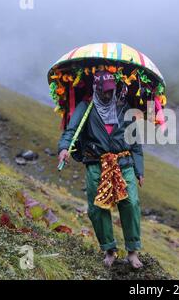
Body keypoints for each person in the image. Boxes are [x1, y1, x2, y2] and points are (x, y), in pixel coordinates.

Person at [57, 70, 144, 268]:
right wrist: (64, 148)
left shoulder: (124, 108)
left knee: (131, 202)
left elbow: (135, 142)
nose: (108, 95)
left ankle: (132, 251)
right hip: (96, 162)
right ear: (96, 88)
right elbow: (70, 130)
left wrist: (139, 170)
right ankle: (109, 250)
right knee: (97, 208)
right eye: (104, 91)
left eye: (111, 91)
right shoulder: (85, 107)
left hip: (124, 163)